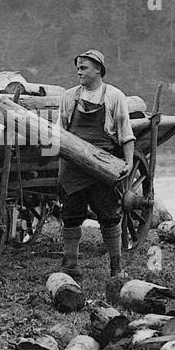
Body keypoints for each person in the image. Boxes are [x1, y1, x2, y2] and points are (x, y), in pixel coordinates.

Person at [56, 49, 134, 280]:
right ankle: (70, 265)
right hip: (72, 167)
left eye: (84, 67)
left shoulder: (114, 96)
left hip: (102, 167)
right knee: (70, 215)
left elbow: (125, 133)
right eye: (78, 68)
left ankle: (116, 267)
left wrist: (128, 162)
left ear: (98, 69)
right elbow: (60, 132)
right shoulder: (69, 97)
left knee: (109, 215)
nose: (79, 72)